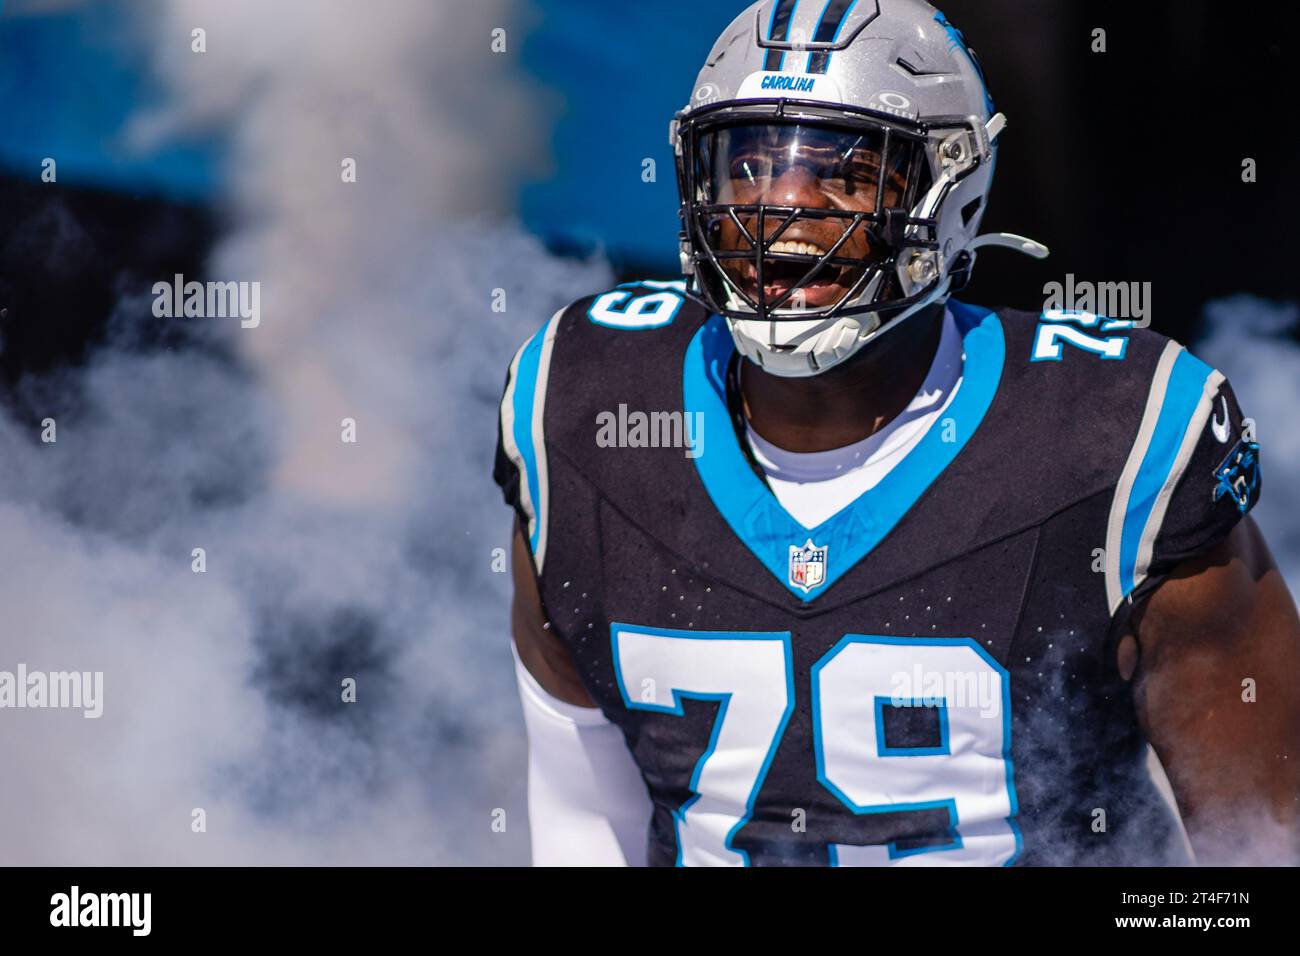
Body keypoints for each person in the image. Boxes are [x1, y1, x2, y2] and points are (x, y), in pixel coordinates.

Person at [495, 0, 1299, 866]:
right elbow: (584, 825)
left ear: (949, 191)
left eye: (843, 172)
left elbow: (1261, 852)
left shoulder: (1112, 438)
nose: (784, 212)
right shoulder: (583, 409)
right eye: (752, 166)